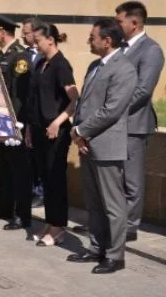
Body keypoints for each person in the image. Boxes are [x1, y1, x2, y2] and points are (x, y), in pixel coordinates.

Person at [67, 18, 137, 274]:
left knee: (112, 204)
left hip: (107, 146)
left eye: (92, 37)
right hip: (88, 144)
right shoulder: (95, 65)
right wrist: (80, 134)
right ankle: (96, 248)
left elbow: (111, 110)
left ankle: (115, 256)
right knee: (94, 202)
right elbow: (86, 104)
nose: (89, 40)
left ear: (107, 41)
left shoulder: (124, 69)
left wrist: (81, 131)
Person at [114, 1, 164, 242]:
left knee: (132, 180)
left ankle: (130, 226)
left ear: (134, 23)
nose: (116, 25)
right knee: (114, 178)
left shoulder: (151, 50)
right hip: (115, 124)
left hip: (133, 123)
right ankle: (112, 222)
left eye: (119, 21)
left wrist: (112, 111)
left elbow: (143, 90)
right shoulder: (120, 48)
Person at [25, 22, 79, 246]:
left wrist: (57, 122)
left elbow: (74, 99)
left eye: (37, 40)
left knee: (55, 180)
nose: (35, 44)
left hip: (55, 133)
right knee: (46, 179)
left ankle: (58, 227)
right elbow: (33, 100)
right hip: (38, 131)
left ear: (50, 39)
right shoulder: (41, 65)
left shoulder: (61, 65)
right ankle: (50, 222)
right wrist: (29, 129)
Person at [0, 10, 33, 230]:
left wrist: (13, 122)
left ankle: (21, 214)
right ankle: (4, 208)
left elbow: (19, 94)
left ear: (3, 33)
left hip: (12, 122)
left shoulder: (19, 56)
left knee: (18, 170)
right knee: (3, 167)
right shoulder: (0, 55)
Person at [22, 17, 45, 209]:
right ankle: (31, 190)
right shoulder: (24, 54)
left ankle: (40, 191)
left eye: (27, 32)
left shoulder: (46, 57)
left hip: (42, 117)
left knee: (40, 159)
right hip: (26, 114)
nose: (23, 35)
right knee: (28, 158)